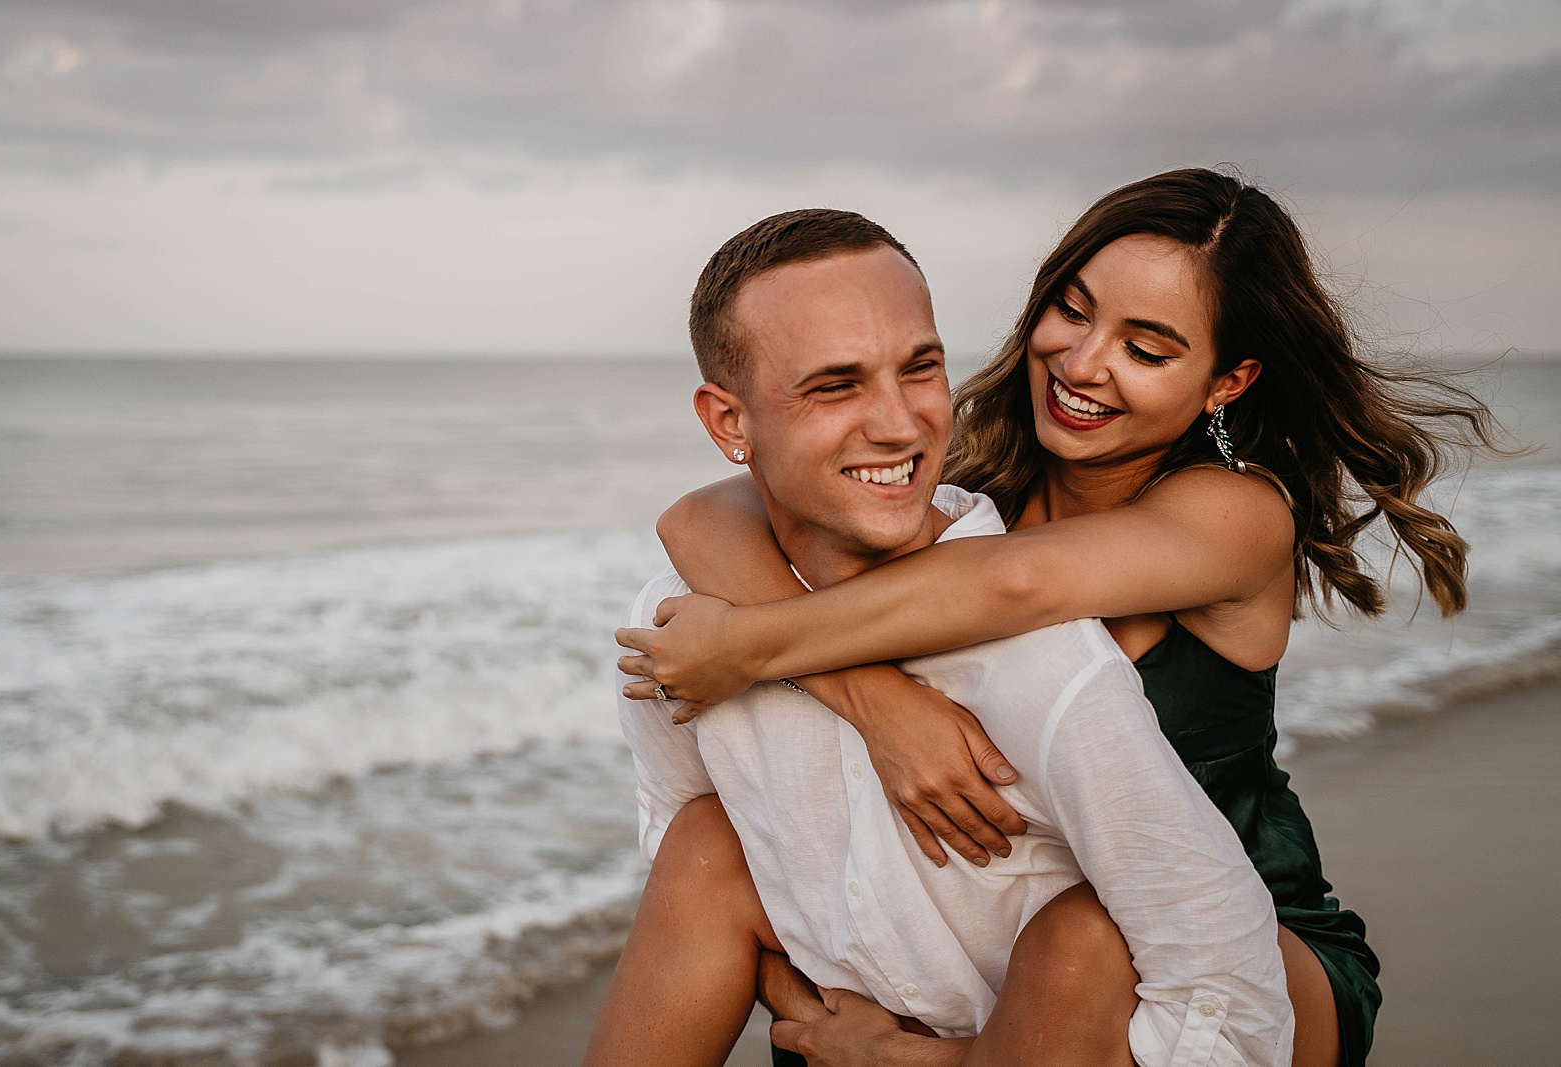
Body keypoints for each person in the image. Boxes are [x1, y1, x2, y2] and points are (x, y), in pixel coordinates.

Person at [617, 169, 1502, 1067]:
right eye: (1074, 312)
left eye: (1148, 350)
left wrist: (749, 646)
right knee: (731, 854)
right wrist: (879, 705)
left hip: (1232, 946)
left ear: (1225, 382)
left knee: (1084, 934)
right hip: (1002, 940)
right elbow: (712, 514)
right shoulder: (975, 472)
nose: (1083, 364)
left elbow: (1018, 586)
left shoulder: (1233, 515)